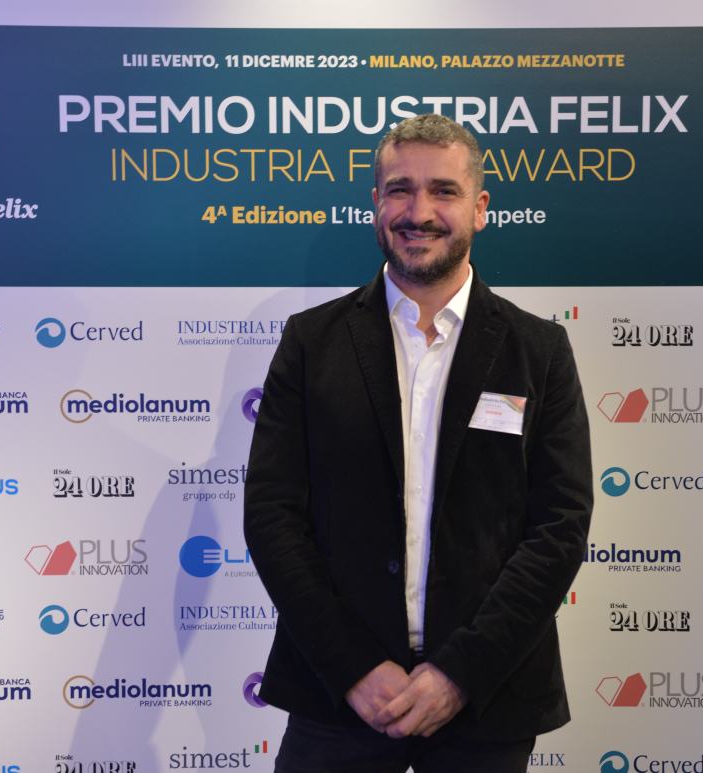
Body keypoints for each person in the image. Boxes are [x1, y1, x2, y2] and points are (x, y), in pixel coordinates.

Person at [244, 113, 593, 773]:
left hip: (486, 699)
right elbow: (272, 515)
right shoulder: (311, 342)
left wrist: (461, 672)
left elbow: (560, 526)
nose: (419, 212)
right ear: (376, 202)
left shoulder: (539, 350)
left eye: (444, 191)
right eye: (400, 189)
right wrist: (352, 666)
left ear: (480, 208)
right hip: (336, 696)